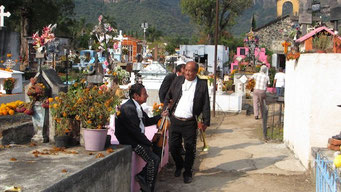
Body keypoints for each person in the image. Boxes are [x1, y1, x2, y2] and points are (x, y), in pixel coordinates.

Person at [115, 83, 169, 192]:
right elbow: (134, 132)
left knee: (159, 152)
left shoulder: (136, 106)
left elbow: (147, 121)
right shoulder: (129, 108)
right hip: (131, 142)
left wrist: (161, 115)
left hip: (136, 139)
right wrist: (148, 143)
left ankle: (143, 177)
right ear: (136, 96)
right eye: (145, 94)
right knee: (154, 160)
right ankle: (147, 187)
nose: (147, 96)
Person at [164, 61, 210, 184]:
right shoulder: (178, 80)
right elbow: (168, 96)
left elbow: (206, 103)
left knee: (190, 149)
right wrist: (165, 109)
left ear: (196, 72)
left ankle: (188, 171)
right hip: (175, 119)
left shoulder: (202, 84)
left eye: (191, 71)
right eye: (186, 70)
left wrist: (206, 121)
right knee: (173, 147)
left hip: (190, 122)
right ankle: (179, 165)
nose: (188, 73)